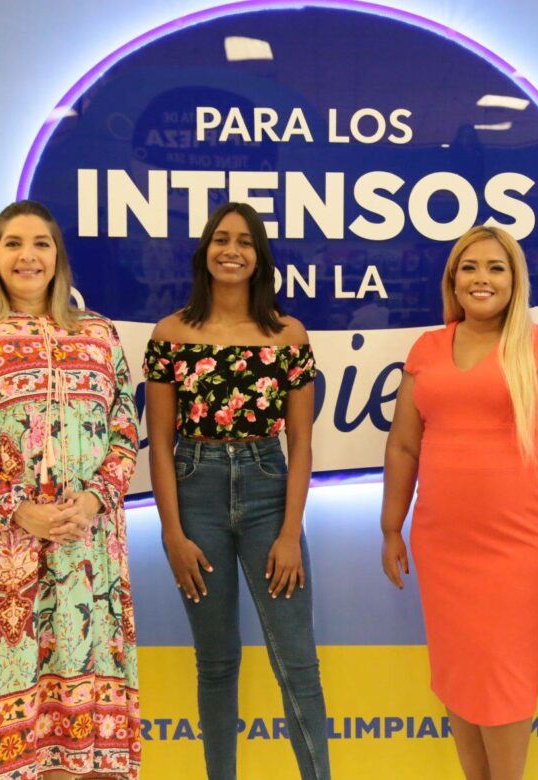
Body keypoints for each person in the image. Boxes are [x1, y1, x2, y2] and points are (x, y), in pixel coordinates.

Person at [0, 200, 141, 779]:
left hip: (87, 553)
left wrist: (95, 499)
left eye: (41, 243)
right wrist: (21, 512)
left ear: (58, 256)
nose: (28, 256)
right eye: (13, 243)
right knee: (12, 728)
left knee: (86, 731)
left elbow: (126, 430)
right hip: (2, 557)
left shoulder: (98, 332)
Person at [381, 225, 538, 780]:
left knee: (504, 685)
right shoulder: (427, 348)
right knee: (459, 681)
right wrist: (391, 527)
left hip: (520, 548)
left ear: (514, 279)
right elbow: (404, 444)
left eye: (496, 268)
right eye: (470, 267)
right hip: (442, 546)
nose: (482, 278)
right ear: (453, 280)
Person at [144, 202, 329, 780]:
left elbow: (301, 443)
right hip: (194, 490)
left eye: (245, 242)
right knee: (217, 663)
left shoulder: (287, 335)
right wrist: (172, 535)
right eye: (221, 239)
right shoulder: (170, 335)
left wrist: (290, 533)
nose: (232, 250)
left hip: (268, 488)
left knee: (296, 662)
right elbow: (160, 442)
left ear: (259, 257)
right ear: (205, 251)